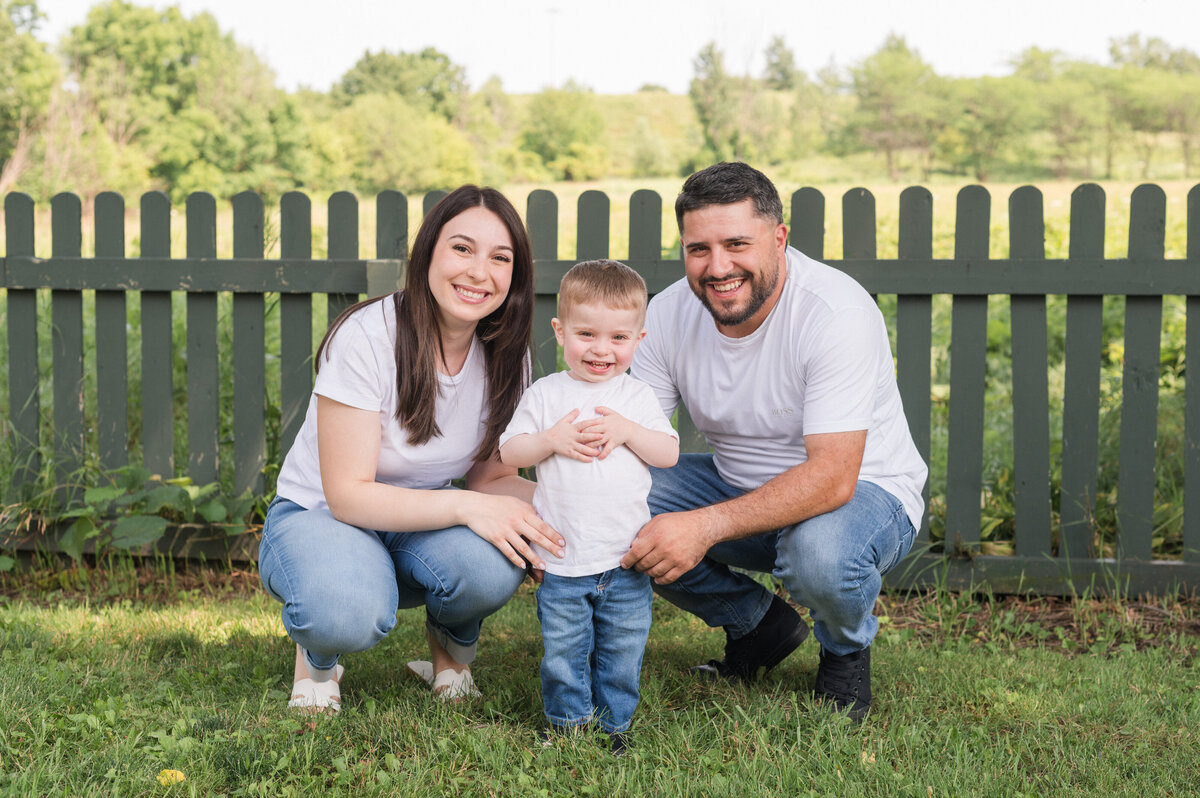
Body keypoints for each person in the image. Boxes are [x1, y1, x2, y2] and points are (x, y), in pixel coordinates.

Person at [622, 162, 927, 721]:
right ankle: (757, 626)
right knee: (613, 499)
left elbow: (833, 476)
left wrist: (703, 525)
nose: (718, 268)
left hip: (862, 495)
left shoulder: (835, 311)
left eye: (737, 243)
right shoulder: (666, 315)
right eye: (698, 249)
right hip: (738, 485)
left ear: (779, 238)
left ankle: (844, 651)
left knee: (818, 555)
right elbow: (630, 439)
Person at [257, 185, 566, 712]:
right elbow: (350, 496)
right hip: (325, 515)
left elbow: (490, 481)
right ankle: (318, 660)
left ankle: (449, 658)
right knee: (345, 609)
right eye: (462, 249)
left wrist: (567, 507)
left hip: (416, 517)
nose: (479, 272)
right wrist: (470, 506)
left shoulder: (507, 355)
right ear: (429, 253)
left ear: (515, 275)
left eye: (500, 257)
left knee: (491, 563)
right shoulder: (368, 336)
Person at [499, 260, 679, 753]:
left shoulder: (636, 398)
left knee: (622, 649)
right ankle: (568, 723)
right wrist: (551, 440)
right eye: (587, 334)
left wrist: (626, 430)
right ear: (560, 332)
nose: (602, 350)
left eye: (619, 338)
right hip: (565, 560)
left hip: (624, 559)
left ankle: (615, 725)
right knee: (564, 650)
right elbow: (510, 453)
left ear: (638, 341)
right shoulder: (547, 393)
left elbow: (668, 452)